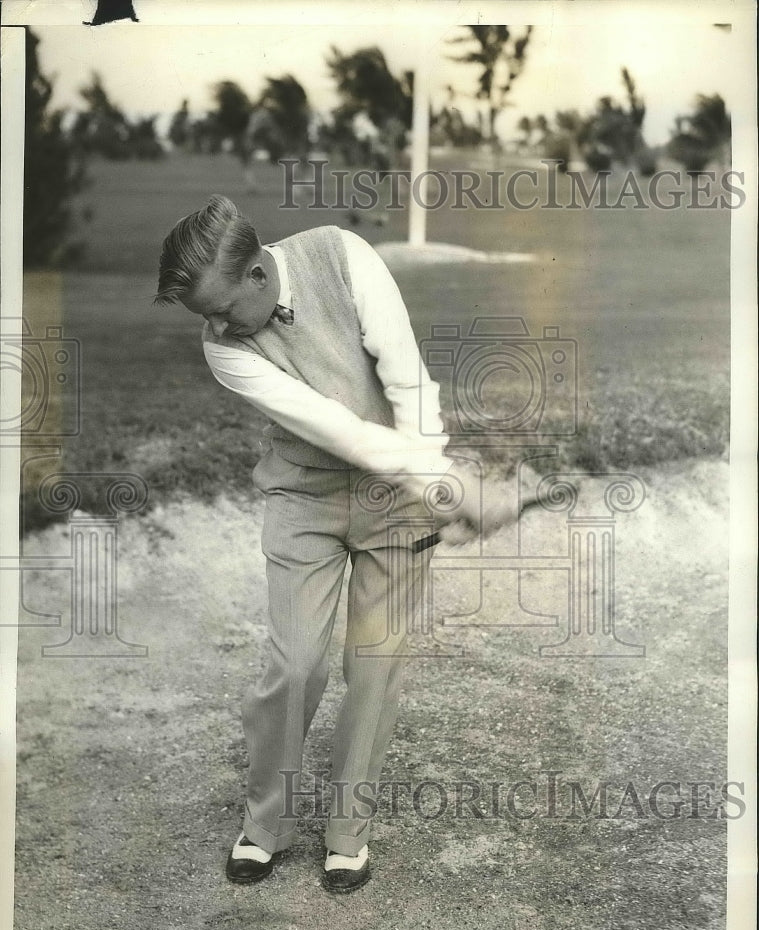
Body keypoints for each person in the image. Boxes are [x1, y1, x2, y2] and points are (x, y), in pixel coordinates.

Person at [154, 196, 524, 892]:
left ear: (259, 275)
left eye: (224, 308)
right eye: (204, 315)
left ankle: (347, 832)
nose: (215, 326)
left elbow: (407, 382)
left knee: (375, 667)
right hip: (304, 493)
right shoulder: (223, 349)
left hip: (397, 493)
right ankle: (265, 825)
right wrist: (450, 485)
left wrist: (433, 485)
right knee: (293, 665)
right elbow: (337, 428)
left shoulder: (346, 256)